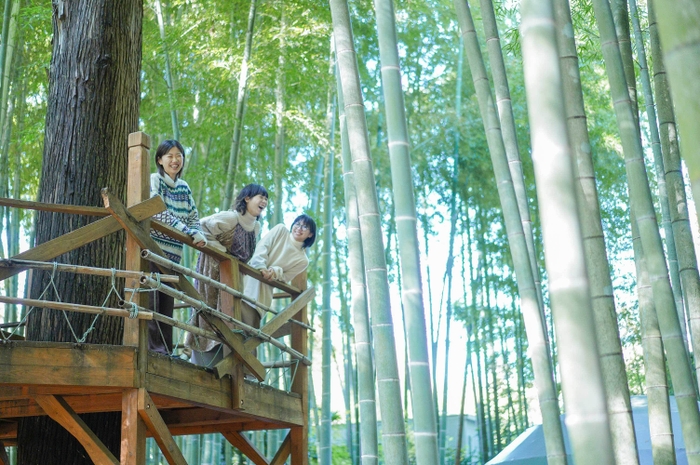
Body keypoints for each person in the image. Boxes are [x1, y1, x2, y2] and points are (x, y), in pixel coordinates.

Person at [187, 184, 269, 366]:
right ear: (247, 198)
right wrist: (221, 251)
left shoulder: (256, 228)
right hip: (212, 269)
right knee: (209, 312)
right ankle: (202, 362)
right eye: (260, 196)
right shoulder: (231, 218)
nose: (264, 201)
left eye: (266, 198)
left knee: (230, 317)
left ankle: (224, 365)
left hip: (233, 276)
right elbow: (200, 225)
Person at [149, 139, 207, 355]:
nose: (175, 160)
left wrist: (197, 232)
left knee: (166, 305)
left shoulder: (184, 187)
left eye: (179, 156)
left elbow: (193, 215)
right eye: (170, 156)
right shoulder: (156, 180)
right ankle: (154, 351)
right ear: (160, 160)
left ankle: (165, 350)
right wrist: (185, 230)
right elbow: (157, 210)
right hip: (153, 249)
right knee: (152, 300)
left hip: (173, 256)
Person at [241, 213, 317, 337]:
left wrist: (275, 271)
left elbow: (286, 278)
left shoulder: (303, 260)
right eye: (297, 224)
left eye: (304, 227)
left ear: (310, 234)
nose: (299, 228)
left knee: (247, 334)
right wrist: (261, 267)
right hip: (246, 277)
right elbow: (261, 247)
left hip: (262, 294)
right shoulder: (281, 230)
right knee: (227, 320)